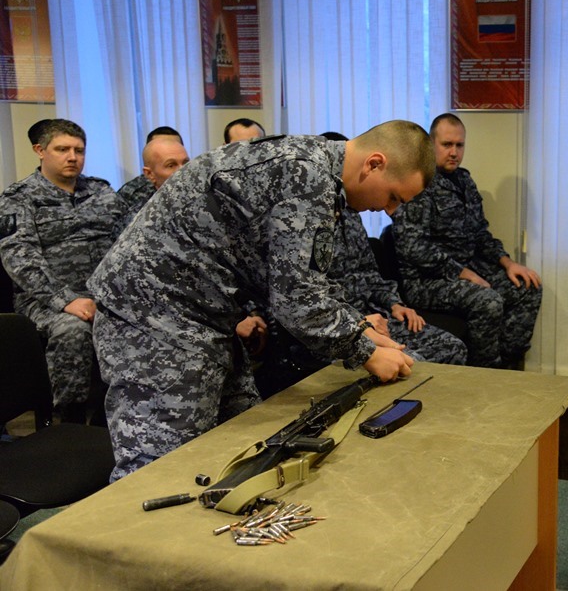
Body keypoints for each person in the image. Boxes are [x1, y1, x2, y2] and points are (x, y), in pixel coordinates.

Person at [88, 120, 435, 480]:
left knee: (245, 448)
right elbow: (296, 303)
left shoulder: (315, 170)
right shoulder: (307, 178)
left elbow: (303, 277)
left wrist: (358, 328)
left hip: (200, 315)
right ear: (374, 164)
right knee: (158, 471)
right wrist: (366, 353)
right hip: (152, 317)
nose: (389, 210)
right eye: (394, 197)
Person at [254, 201, 469, 397]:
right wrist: (359, 323)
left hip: (373, 317)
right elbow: (301, 298)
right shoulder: (305, 218)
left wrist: (395, 303)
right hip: (332, 332)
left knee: (452, 347)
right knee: (409, 363)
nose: (384, 208)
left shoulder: (351, 216)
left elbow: (370, 274)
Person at [391, 113, 542, 369]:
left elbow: (480, 233)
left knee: (528, 288)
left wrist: (508, 263)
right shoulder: (418, 183)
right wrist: (462, 273)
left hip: (466, 270)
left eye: (459, 145)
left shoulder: (464, 181)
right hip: (427, 281)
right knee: (488, 300)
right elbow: (413, 247)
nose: (454, 152)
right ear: (431, 144)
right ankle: (484, 373)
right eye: (447, 144)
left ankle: (507, 367)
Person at [0, 119, 126, 423]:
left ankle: (119, 416)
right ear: (40, 150)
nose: (72, 157)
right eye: (62, 149)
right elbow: (20, 257)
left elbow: (127, 243)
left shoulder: (101, 191)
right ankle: (67, 420)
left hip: (103, 295)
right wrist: (66, 300)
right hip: (44, 301)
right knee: (73, 330)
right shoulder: (19, 198)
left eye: (79, 150)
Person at [116, 126, 189, 223]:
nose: (182, 170)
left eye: (185, 162)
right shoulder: (133, 197)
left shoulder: (201, 187)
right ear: (149, 173)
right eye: (171, 165)